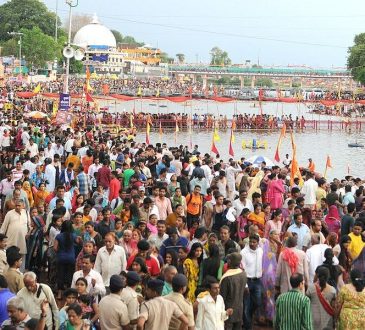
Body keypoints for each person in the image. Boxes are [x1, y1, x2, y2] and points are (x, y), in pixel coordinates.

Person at [240, 235, 264, 329]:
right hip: (247, 281)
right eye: (251, 242)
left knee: (257, 303)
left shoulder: (260, 251)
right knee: (246, 305)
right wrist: (245, 285)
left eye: (254, 242)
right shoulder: (243, 252)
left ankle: (248, 316)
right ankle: (247, 326)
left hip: (257, 280)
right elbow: (242, 269)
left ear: (258, 243)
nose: (252, 244)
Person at [220, 252, 247, 330]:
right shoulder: (243, 274)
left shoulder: (227, 277)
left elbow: (222, 297)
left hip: (228, 310)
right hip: (239, 309)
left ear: (230, 262)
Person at [0, 200, 29, 272]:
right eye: (16, 205)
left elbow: (29, 225)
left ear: (23, 206)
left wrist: (28, 233)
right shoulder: (9, 213)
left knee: (21, 258)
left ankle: (20, 275)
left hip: (22, 241)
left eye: (19, 205)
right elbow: (4, 227)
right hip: (11, 241)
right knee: (9, 258)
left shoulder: (26, 213)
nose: (17, 207)